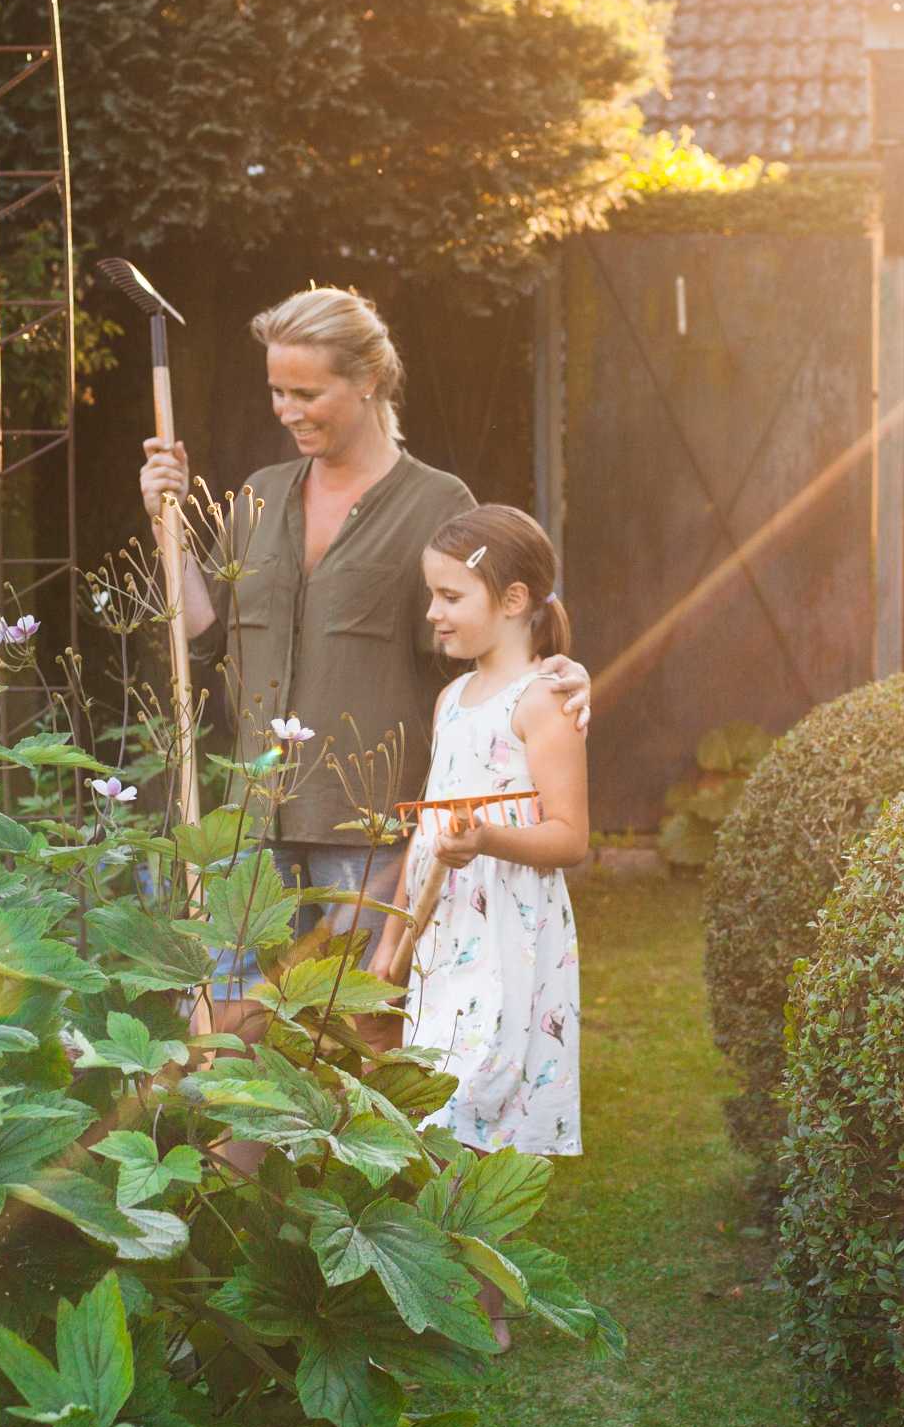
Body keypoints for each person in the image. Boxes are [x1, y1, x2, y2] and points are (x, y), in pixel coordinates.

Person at [136, 287, 588, 1006]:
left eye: (306, 393)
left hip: (369, 833)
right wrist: (168, 523)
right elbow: (204, 637)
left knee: (352, 1031)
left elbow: (503, 622)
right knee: (228, 1025)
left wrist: (560, 671)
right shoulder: (259, 494)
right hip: (251, 821)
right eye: (277, 391)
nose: (286, 410)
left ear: (369, 379)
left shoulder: (437, 504)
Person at [374, 505, 587, 1163]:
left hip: (507, 936)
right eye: (431, 595)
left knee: (482, 1097)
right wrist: (392, 937)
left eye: (450, 596)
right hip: (445, 930)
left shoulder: (543, 700)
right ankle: (449, 1216)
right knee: (434, 1099)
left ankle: (482, 1217)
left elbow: (571, 837)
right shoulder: (453, 698)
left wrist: (488, 840)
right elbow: (429, 829)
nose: (432, 613)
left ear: (513, 600)